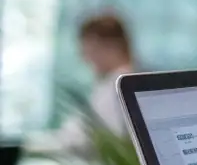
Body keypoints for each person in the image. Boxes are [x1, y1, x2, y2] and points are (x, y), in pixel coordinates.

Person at [28, 11, 136, 156]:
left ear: (111, 47)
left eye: (89, 50)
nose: (86, 59)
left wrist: (38, 146)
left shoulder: (118, 87)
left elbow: (95, 139)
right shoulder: (111, 84)